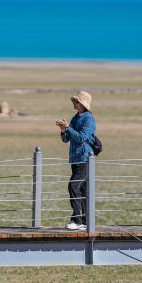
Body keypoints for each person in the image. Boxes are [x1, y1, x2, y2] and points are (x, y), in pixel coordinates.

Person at [56, 91, 96, 231]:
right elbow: (66, 139)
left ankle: (77, 220)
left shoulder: (89, 119)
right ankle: (84, 221)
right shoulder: (75, 118)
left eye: (77, 101)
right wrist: (63, 130)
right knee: (82, 190)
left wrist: (68, 128)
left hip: (85, 159)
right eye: (74, 101)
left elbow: (81, 137)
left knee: (73, 187)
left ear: (83, 104)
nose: (74, 103)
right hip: (75, 158)